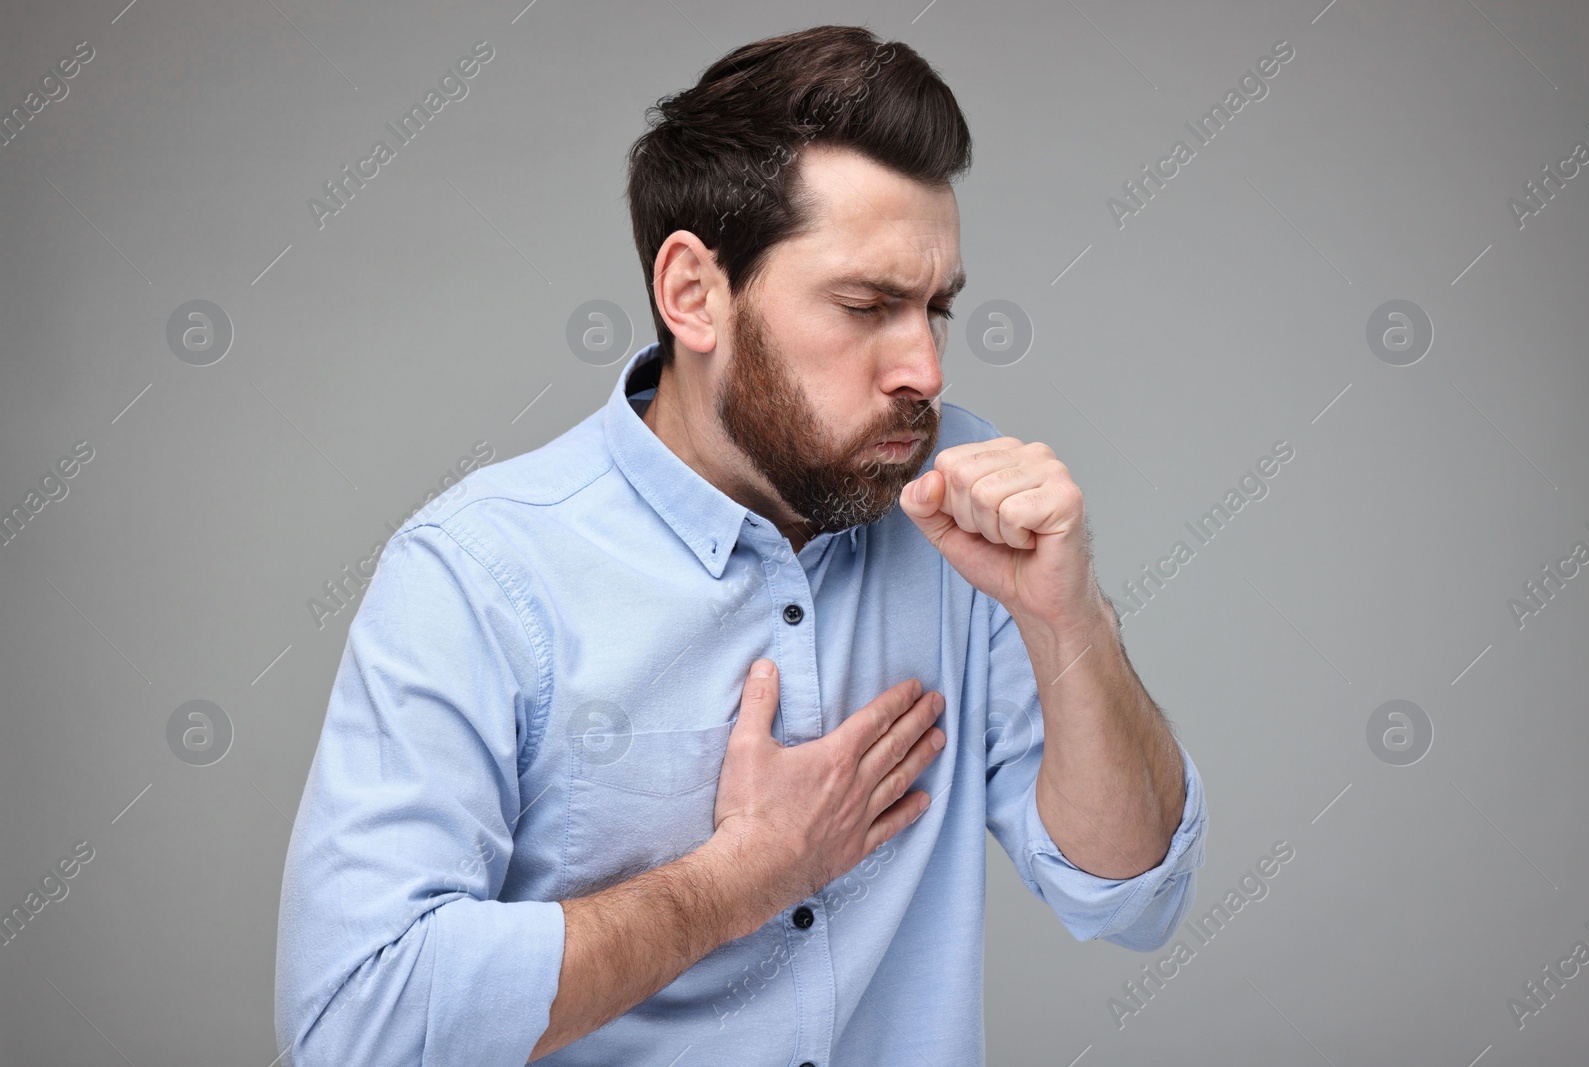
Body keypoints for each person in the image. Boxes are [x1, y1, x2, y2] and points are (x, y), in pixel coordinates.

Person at [274, 24, 1207, 1066]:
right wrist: (740, 877)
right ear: (693, 294)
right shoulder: (480, 572)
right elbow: (357, 1024)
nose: (925, 370)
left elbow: (1132, 892)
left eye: (935, 308)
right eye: (866, 305)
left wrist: (1070, 619)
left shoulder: (966, 510)